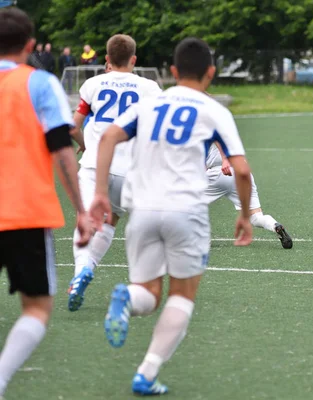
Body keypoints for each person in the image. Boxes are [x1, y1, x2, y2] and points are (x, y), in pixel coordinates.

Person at [88, 37, 253, 396]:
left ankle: (126, 299)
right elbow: (240, 169)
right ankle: (146, 373)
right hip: (186, 212)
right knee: (181, 295)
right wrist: (243, 214)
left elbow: (107, 139)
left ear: (173, 71)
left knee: (147, 293)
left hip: (142, 210)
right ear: (211, 72)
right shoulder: (214, 111)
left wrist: (100, 193)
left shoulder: (151, 102)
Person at [0, 8, 92, 398]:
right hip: (24, 211)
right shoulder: (39, 83)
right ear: (32, 46)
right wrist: (83, 211)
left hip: (23, 212)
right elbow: (61, 148)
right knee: (36, 309)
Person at [66, 34, 162, 312]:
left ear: (106, 59)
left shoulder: (92, 84)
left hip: (96, 164)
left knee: (85, 220)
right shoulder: (150, 87)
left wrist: (85, 145)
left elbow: (73, 126)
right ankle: (91, 270)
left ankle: (81, 270)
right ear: (134, 60)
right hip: (129, 170)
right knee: (110, 222)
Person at [205, 143, 292, 249]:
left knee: (189, 204)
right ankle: (275, 226)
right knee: (256, 218)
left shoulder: (199, 131)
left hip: (220, 171)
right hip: (242, 171)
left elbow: (217, 138)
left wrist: (224, 160)